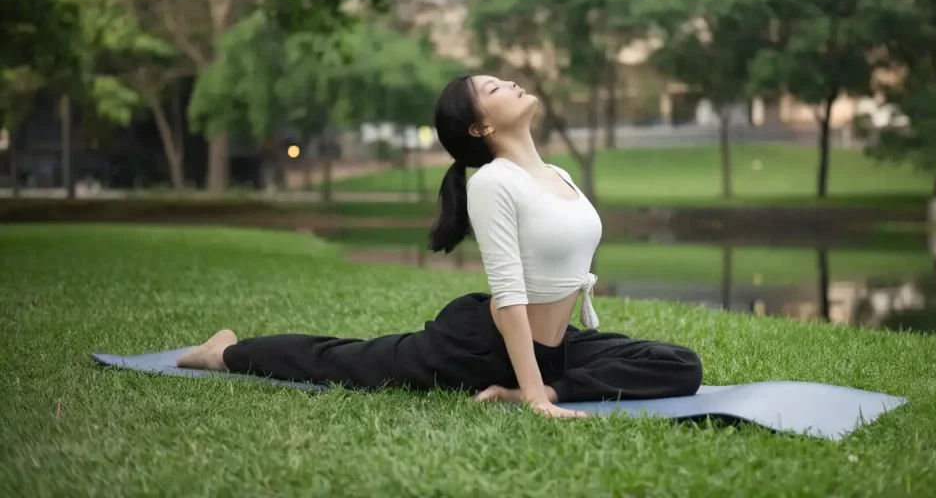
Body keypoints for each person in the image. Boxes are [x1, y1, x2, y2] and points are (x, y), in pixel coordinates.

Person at [177, 74, 702, 419]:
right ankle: (223, 352)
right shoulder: (493, 182)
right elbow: (509, 296)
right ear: (482, 126)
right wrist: (535, 391)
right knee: (345, 361)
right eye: (494, 86)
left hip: (555, 348)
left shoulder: (558, 174)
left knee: (679, 364)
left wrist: (541, 390)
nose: (511, 82)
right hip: (481, 345)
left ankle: (537, 386)